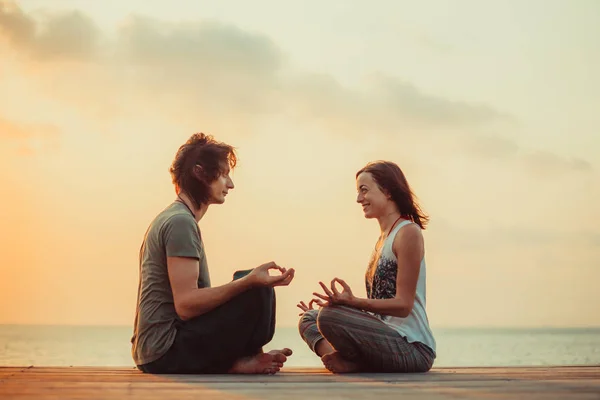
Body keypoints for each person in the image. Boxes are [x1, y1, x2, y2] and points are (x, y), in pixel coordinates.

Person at [131, 133, 295, 375]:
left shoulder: (179, 219)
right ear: (200, 173)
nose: (230, 184)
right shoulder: (180, 222)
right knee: (254, 286)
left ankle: (247, 358)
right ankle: (235, 364)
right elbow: (186, 305)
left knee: (248, 278)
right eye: (224, 174)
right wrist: (249, 283)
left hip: (158, 350)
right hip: (164, 352)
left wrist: (247, 279)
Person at [297, 161, 436, 373]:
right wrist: (349, 305)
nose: (358, 199)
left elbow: (403, 305)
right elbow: (382, 310)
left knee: (328, 316)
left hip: (412, 349)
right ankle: (352, 361)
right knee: (309, 319)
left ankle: (355, 362)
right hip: (383, 339)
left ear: (387, 191)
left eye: (364, 190)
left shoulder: (408, 233)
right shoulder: (383, 240)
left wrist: (353, 303)